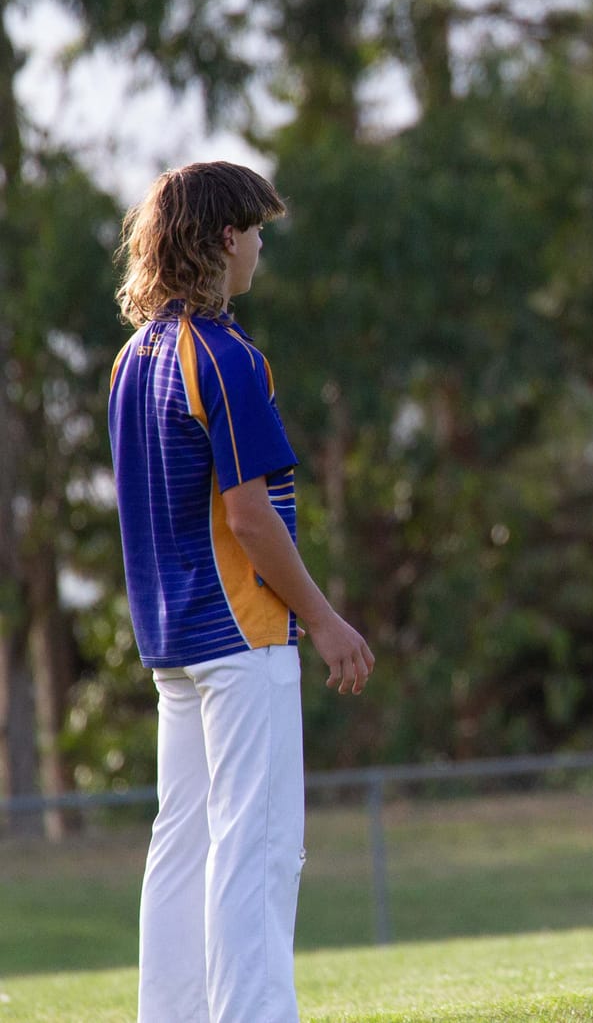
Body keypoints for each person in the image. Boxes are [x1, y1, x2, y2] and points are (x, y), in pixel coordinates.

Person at [109, 162, 375, 1023]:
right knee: (257, 849)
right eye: (256, 231)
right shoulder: (227, 356)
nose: (260, 247)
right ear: (227, 238)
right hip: (240, 633)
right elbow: (251, 516)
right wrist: (325, 620)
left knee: (181, 845)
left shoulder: (132, 358)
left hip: (171, 644)